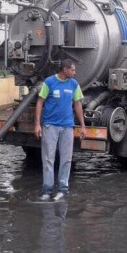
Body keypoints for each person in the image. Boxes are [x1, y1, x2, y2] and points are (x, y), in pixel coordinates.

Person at [34, 59, 86, 201]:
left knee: (66, 159)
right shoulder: (49, 82)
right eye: (72, 70)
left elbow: (77, 104)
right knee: (48, 159)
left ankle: (63, 189)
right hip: (50, 126)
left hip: (67, 127)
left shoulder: (74, 84)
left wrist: (82, 126)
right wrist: (37, 124)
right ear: (65, 69)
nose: (74, 73)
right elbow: (40, 102)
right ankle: (47, 191)